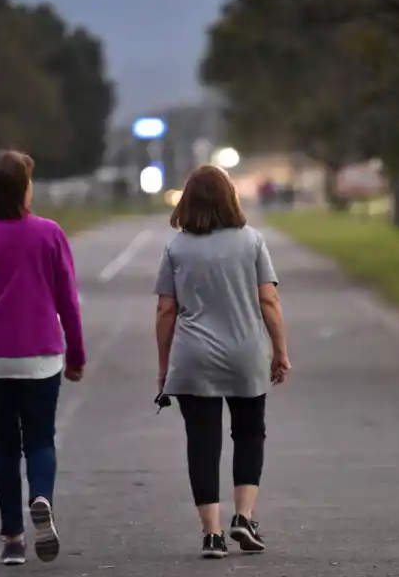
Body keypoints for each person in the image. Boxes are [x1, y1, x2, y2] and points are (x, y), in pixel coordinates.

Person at [0, 149, 86, 566]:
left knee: (4, 447)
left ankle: (11, 538)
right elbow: (68, 301)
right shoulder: (49, 233)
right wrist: (76, 353)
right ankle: (41, 497)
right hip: (41, 356)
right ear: (22, 190)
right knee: (40, 439)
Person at [154, 164, 290, 559]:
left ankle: (211, 534)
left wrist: (165, 367)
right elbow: (269, 300)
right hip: (245, 354)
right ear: (231, 198)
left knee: (202, 442)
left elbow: (165, 310)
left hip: (193, 358)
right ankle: (243, 517)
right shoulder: (252, 241)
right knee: (249, 433)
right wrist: (280, 351)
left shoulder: (176, 247)